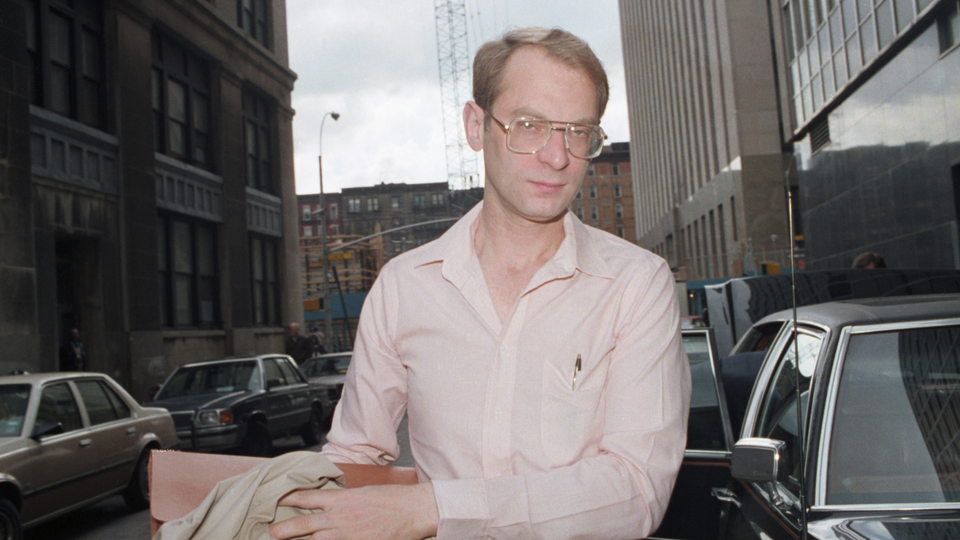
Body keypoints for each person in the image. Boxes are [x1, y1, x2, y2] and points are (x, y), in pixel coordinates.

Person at [270, 28, 691, 540]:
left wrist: (437, 509)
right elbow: (354, 457)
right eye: (529, 125)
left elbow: (636, 489)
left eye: (579, 132)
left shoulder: (636, 284)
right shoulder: (404, 287)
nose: (558, 158)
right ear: (476, 126)